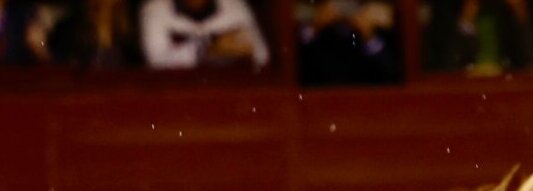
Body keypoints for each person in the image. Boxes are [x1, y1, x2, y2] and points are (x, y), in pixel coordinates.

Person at [139, 0, 269, 69]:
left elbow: (262, 55)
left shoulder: (234, 6)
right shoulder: (155, 9)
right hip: (176, 95)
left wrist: (244, 49)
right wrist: (208, 49)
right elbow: (156, 62)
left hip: (228, 90)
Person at [296, 0, 402, 85]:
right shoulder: (319, 30)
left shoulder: (380, 27)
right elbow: (301, 71)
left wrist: (368, 35)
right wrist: (315, 26)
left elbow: (392, 76)